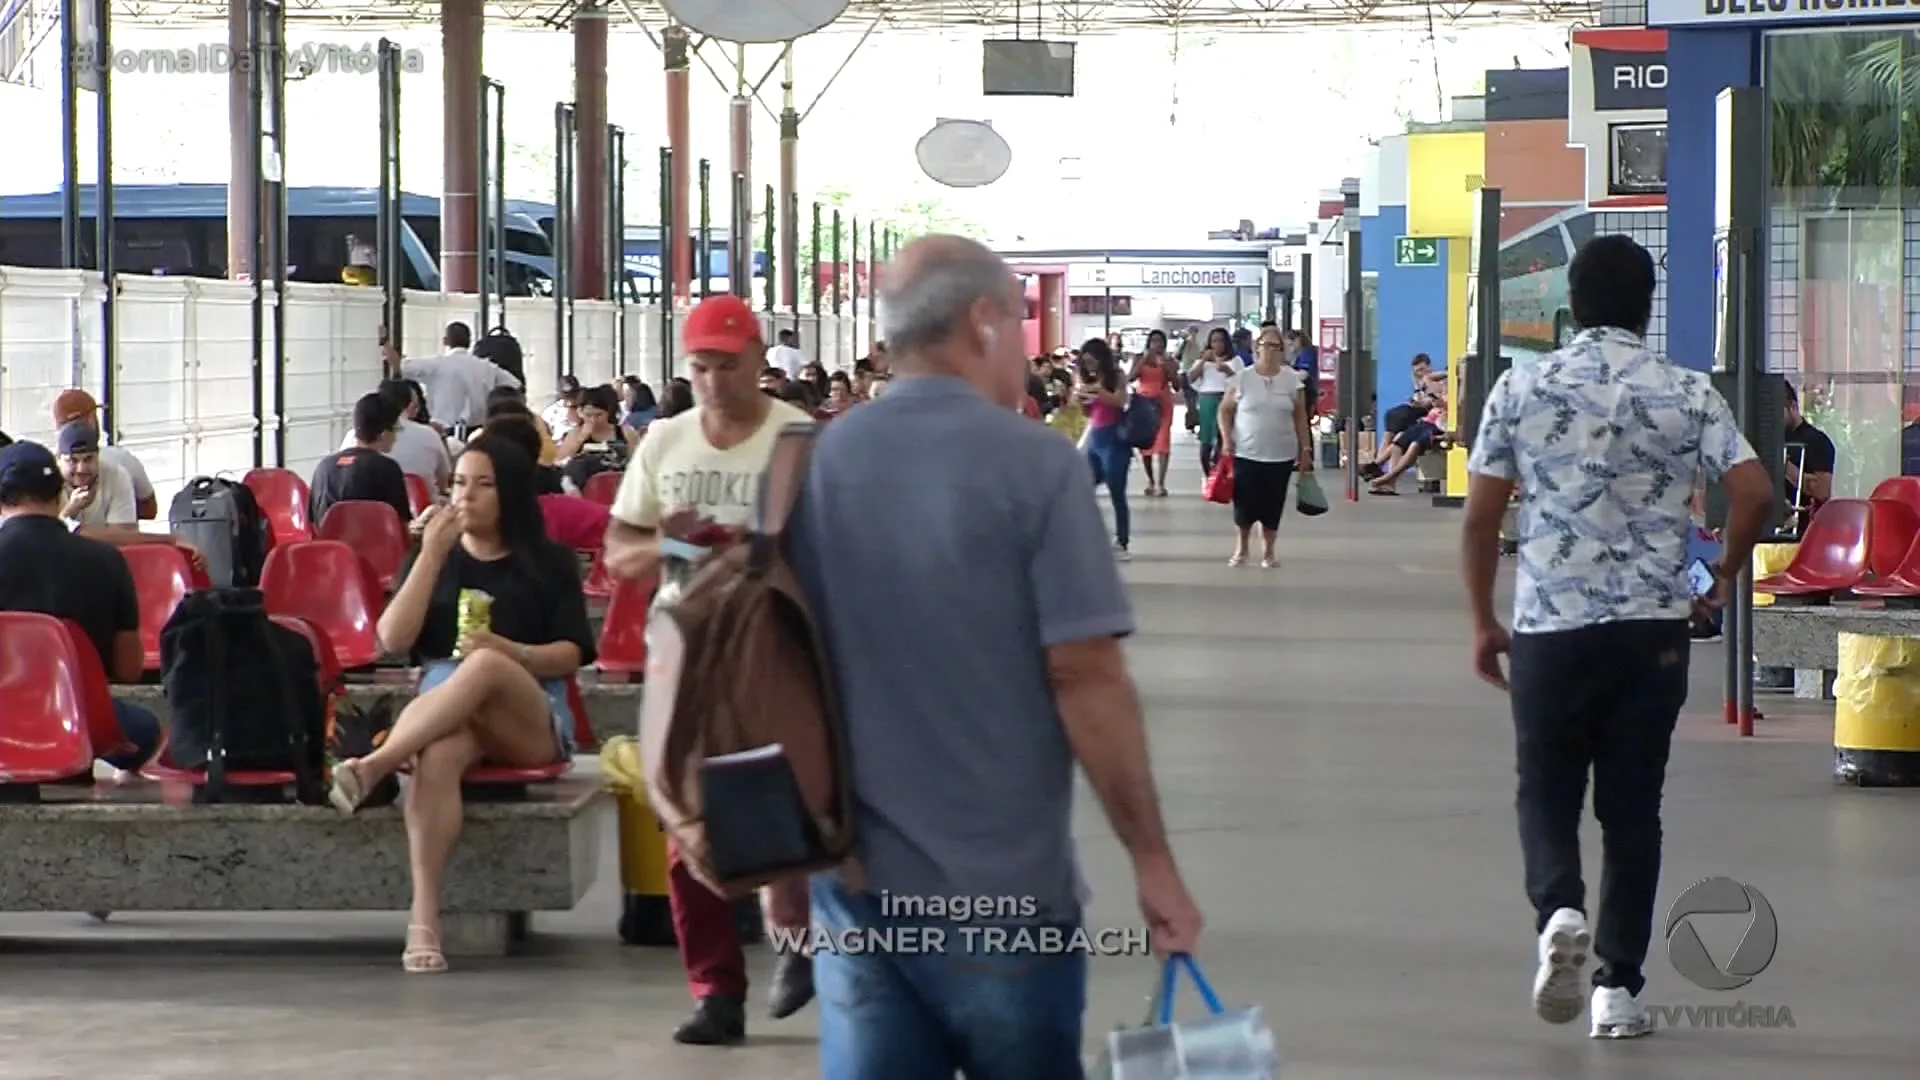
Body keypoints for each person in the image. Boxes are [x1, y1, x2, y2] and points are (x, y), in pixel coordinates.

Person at [788, 234, 1203, 1079]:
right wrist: (1153, 863)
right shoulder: (1037, 466)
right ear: (982, 323)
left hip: (855, 884)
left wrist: (785, 860)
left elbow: (782, 672)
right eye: (1016, 323)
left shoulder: (816, 462)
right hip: (1005, 894)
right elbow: (1084, 677)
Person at [1461, 234, 1774, 1039]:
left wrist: (1481, 621)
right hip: (1651, 633)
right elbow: (1753, 492)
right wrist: (1723, 575)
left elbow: (1481, 516)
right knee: (1633, 812)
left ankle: (1560, 909)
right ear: (1645, 306)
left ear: (1574, 302)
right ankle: (1617, 990)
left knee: (1546, 789)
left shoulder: (1522, 387)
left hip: (1551, 629)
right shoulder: (1685, 391)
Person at [600, 293, 816, 1044]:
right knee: (685, 815)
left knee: (793, 799)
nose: (716, 382)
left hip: (777, 648)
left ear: (761, 361)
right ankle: (716, 989)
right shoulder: (665, 442)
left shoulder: (798, 439)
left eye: (729, 365)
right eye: (701, 368)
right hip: (687, 653)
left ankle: (797, 941)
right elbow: (618, 553)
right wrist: (672, 543)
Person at [326, 435, 595, 973]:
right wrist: (429, 555)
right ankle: (423, 918)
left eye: (483, 485)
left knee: (487, 665)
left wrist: (509, 650)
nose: (466, 497)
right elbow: (393, 639)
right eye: (459, 484)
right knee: (439, 754)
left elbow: (572, 653)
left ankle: (377, 764)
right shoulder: (434, 555)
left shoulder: (550, 561)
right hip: (445, 708)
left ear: (512, 494)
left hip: (528, 710)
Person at [0, 440, 164, 773]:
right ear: (61, 495)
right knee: (145, 727)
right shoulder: (107, 561)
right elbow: (129, 669)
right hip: (75, 717)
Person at [1218, 324, 1313, 568]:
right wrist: (1227, 439)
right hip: (1246, 452)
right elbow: (1225, 411)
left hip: (1280, 453)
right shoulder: (1243, 378)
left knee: (1273, 503)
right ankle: (1242, 548)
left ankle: (1269, 551)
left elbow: (1301, 418)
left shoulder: (1292, 380)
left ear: (1283, 351)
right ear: (1256, 347)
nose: (1270, 351)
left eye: (1276, 346)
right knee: (1244, 503)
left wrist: (1305, 450)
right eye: (1265, 345)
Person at [310, 392, 412, 529]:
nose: (396, 437)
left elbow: (312, 523)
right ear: (384, 434)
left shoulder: (323, 467)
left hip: (329, 549)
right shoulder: (388, 468)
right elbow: (400, 527)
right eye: (396, 429)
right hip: (378, 549)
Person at [394, 321, 522, 429]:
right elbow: (516, 385)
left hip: (443, 430)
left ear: (445, 341)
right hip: (479, 430)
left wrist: (384, 343)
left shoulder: (435, 365)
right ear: (469, 341)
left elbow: (399, 366)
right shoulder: (487, 367)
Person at [52, 389, 157, 520]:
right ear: (91, 419)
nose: (81, 468)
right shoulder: (120, 459)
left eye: (88, 459)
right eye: (73, 461)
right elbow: (150, 510)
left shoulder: (43, 470)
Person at [1077, 337, 1133, 560]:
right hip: (1095, 438)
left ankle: (1122, 541)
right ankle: (1088, 536)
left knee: (1117, 492)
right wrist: (1083, 401)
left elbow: (1120, 402)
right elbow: (1090, 414)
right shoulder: (1088, 379)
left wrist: (1098, 391)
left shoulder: (1116, 376)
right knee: (1083, 487)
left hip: (1114, 439)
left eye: (1092, 361)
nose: (1088, 366)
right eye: (1086, 362)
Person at [355, 378, 453, 494]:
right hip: (420, 508)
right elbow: (445, 482)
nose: (396, 438)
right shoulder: (429, 434)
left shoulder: (352, 438)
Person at [1782, 381, 1835, 536]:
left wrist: (1784, 466)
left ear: (1792, 406)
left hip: (1803, 535)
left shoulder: (1817, 441)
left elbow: (1822, 491)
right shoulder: (1764, 441)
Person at [1130, 330, 1177, 496]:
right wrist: (1142, 361)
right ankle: (1150, 480)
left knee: (1163, 442)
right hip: (1144, 404)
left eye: (1160, 341)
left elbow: (1177, 384)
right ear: (1148, 343)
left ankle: (1161, 483)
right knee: (1147, 445)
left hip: (1163, 404)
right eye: (1154, 341)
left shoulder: (1169, 360)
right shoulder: (1139, 358)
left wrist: (1167, 367)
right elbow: (1130, 378)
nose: (1157, 345)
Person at [1185, 327, 1237, 476]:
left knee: (1223, 437)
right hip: (1207, 399)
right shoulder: (1204, 361)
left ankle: (1221, 471)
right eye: (1214, 341)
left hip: (1227, 398)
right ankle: (1208, 474)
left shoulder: (1234, 360)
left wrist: (1223, 367)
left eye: (1220, 340)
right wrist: (1203, 361)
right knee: (1206, 440)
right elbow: (1191, 378)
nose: (1217, 344)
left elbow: (1238, 379)